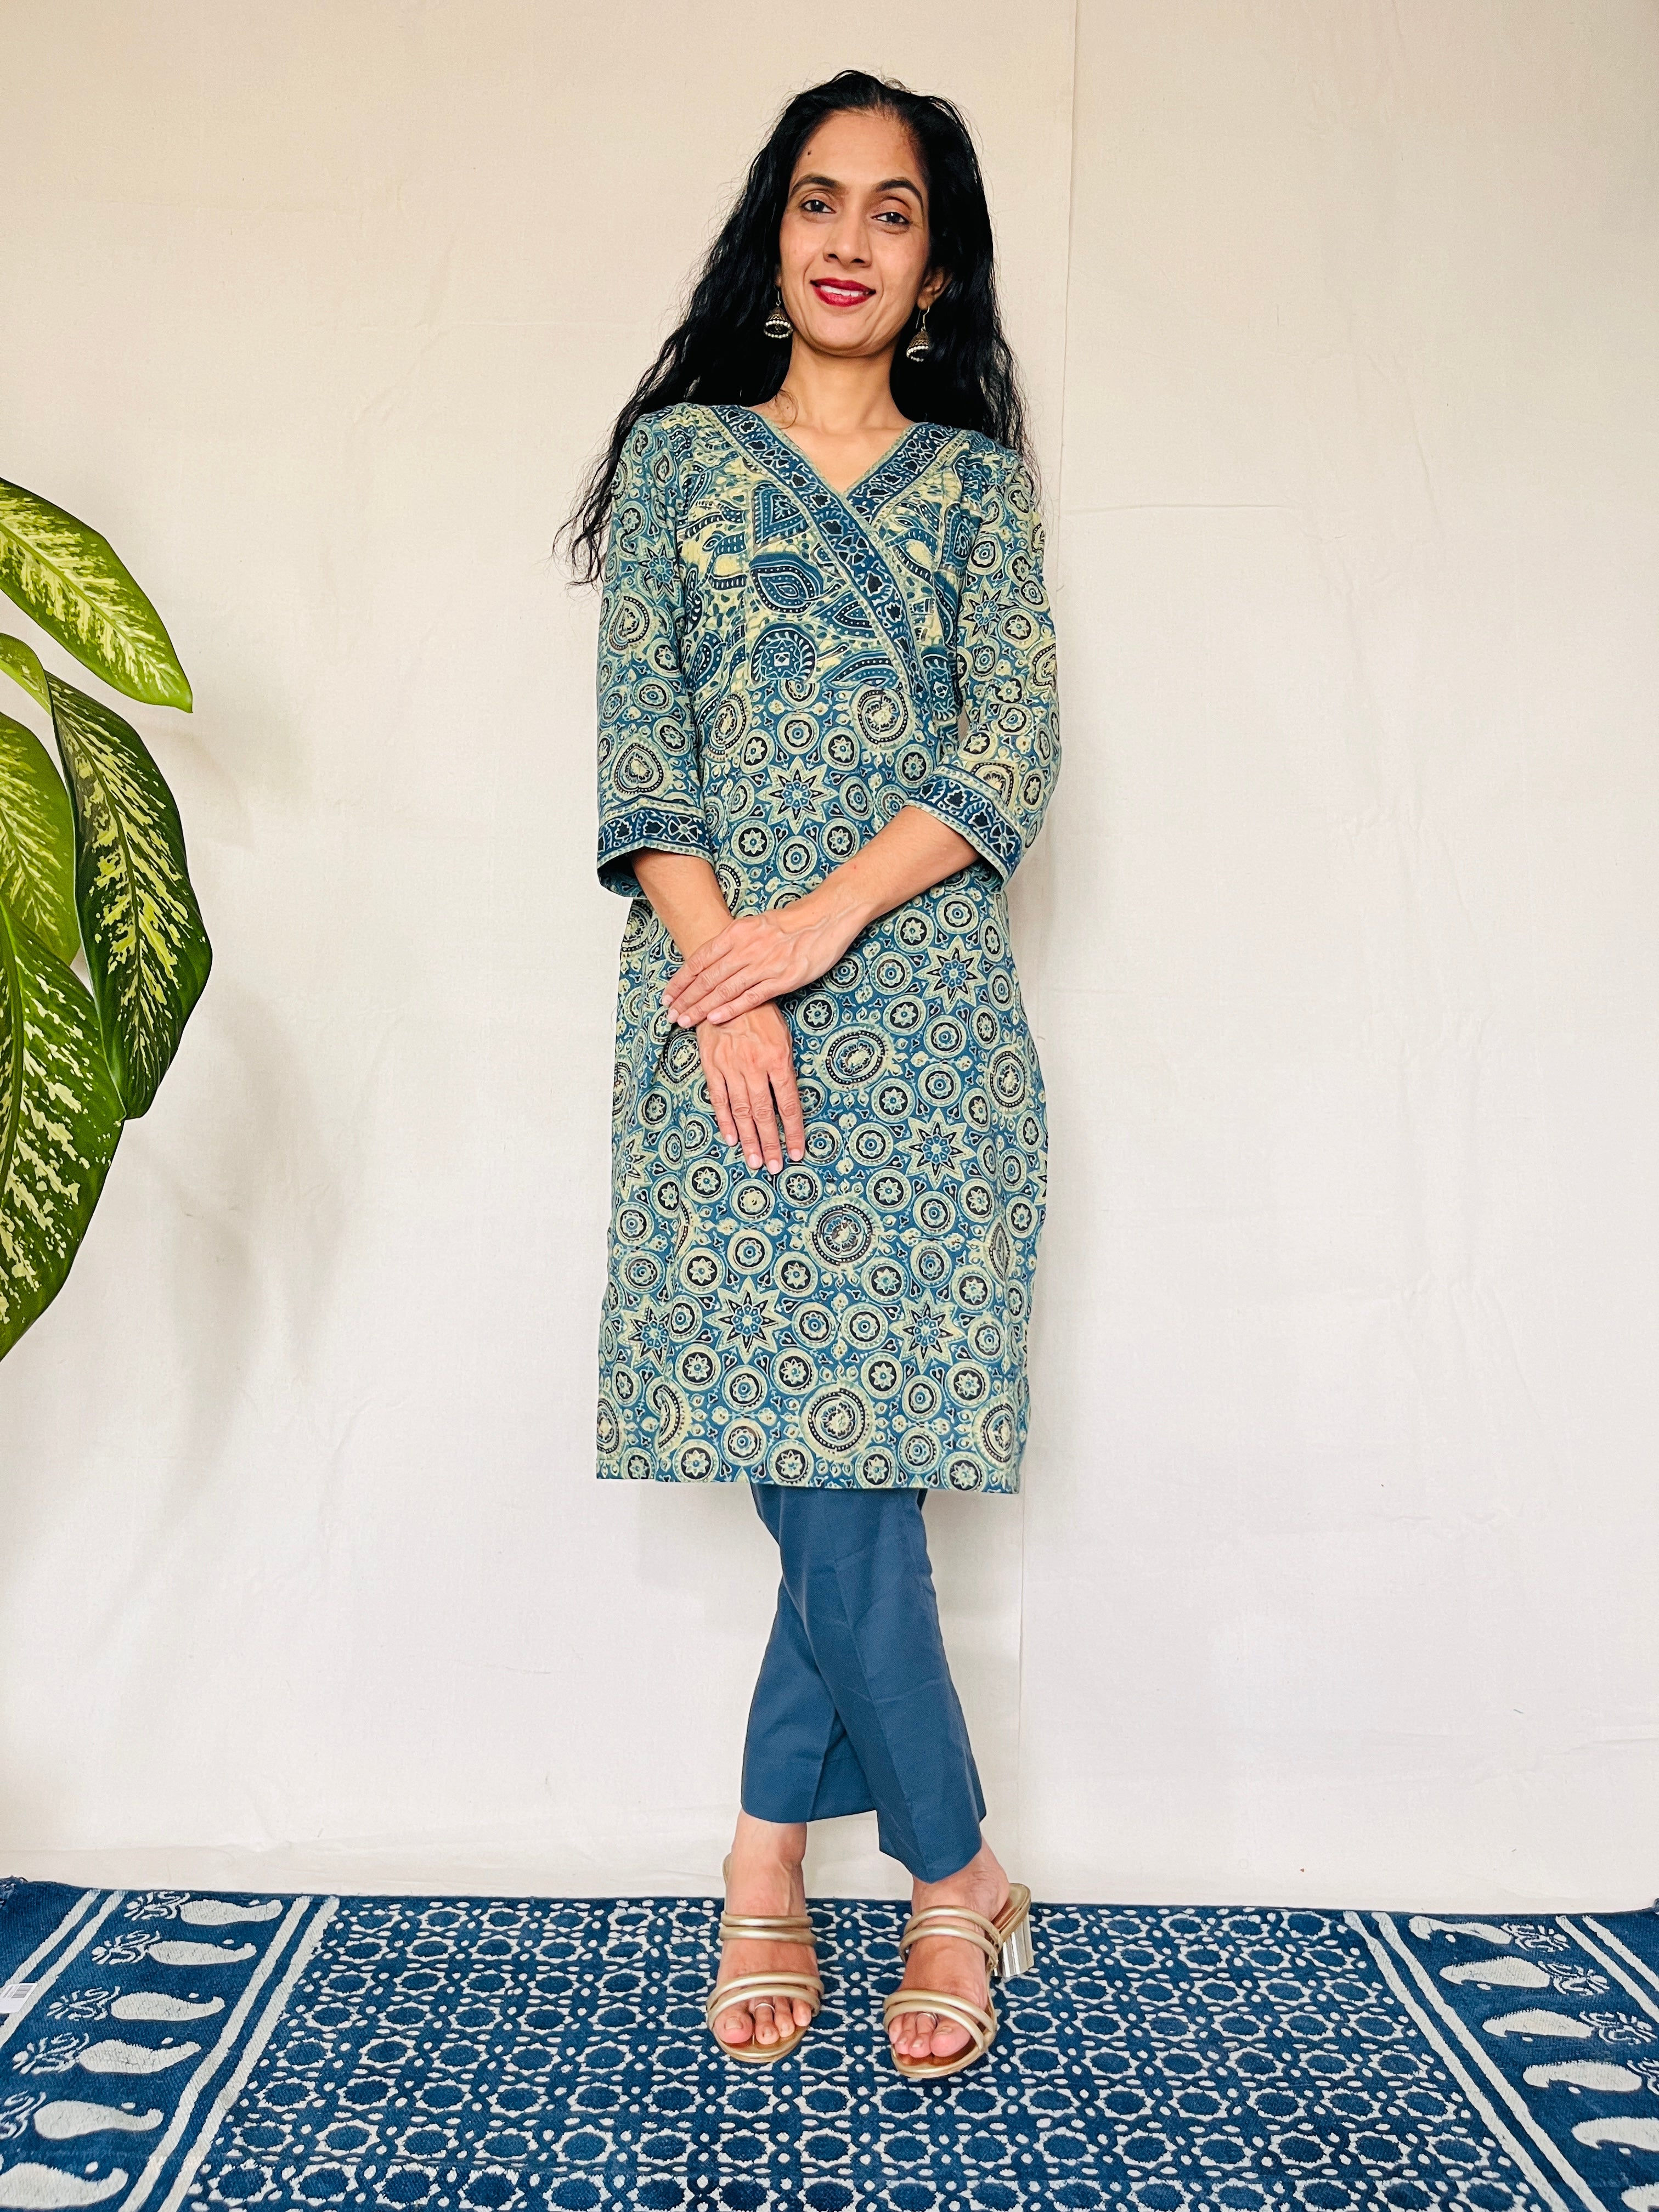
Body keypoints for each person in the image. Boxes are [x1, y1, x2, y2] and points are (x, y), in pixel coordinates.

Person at [564, 68, 1059, 2081]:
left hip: (923, 1022)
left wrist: (820, 926)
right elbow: (643, 753)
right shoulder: (680, 463)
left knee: (851, 1466)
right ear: (773, 239)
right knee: (821, 1468)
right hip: (721, 1024)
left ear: (936, 274)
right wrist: (734, 975)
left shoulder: (977, 491)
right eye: (819, 201)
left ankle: (772, 1858)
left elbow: (1008, 752)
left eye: (895, 211)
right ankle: (956, 1870)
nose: (851, 239)